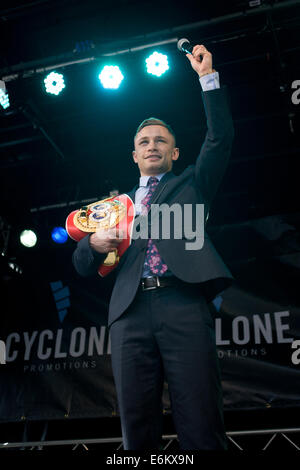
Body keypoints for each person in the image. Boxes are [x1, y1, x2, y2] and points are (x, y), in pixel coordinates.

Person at [72, 44, 234, 450]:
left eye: (161, 141)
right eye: (144, 141)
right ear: (134, 154)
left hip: (183, 303)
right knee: (136, 432)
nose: (152, 146)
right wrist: (93, 243)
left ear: (175, 152)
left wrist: (206, 79)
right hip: (129, 314)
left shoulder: (193, 184)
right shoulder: (116, 206)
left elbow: (220, 139)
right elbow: (80, 264)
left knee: (200, 422)